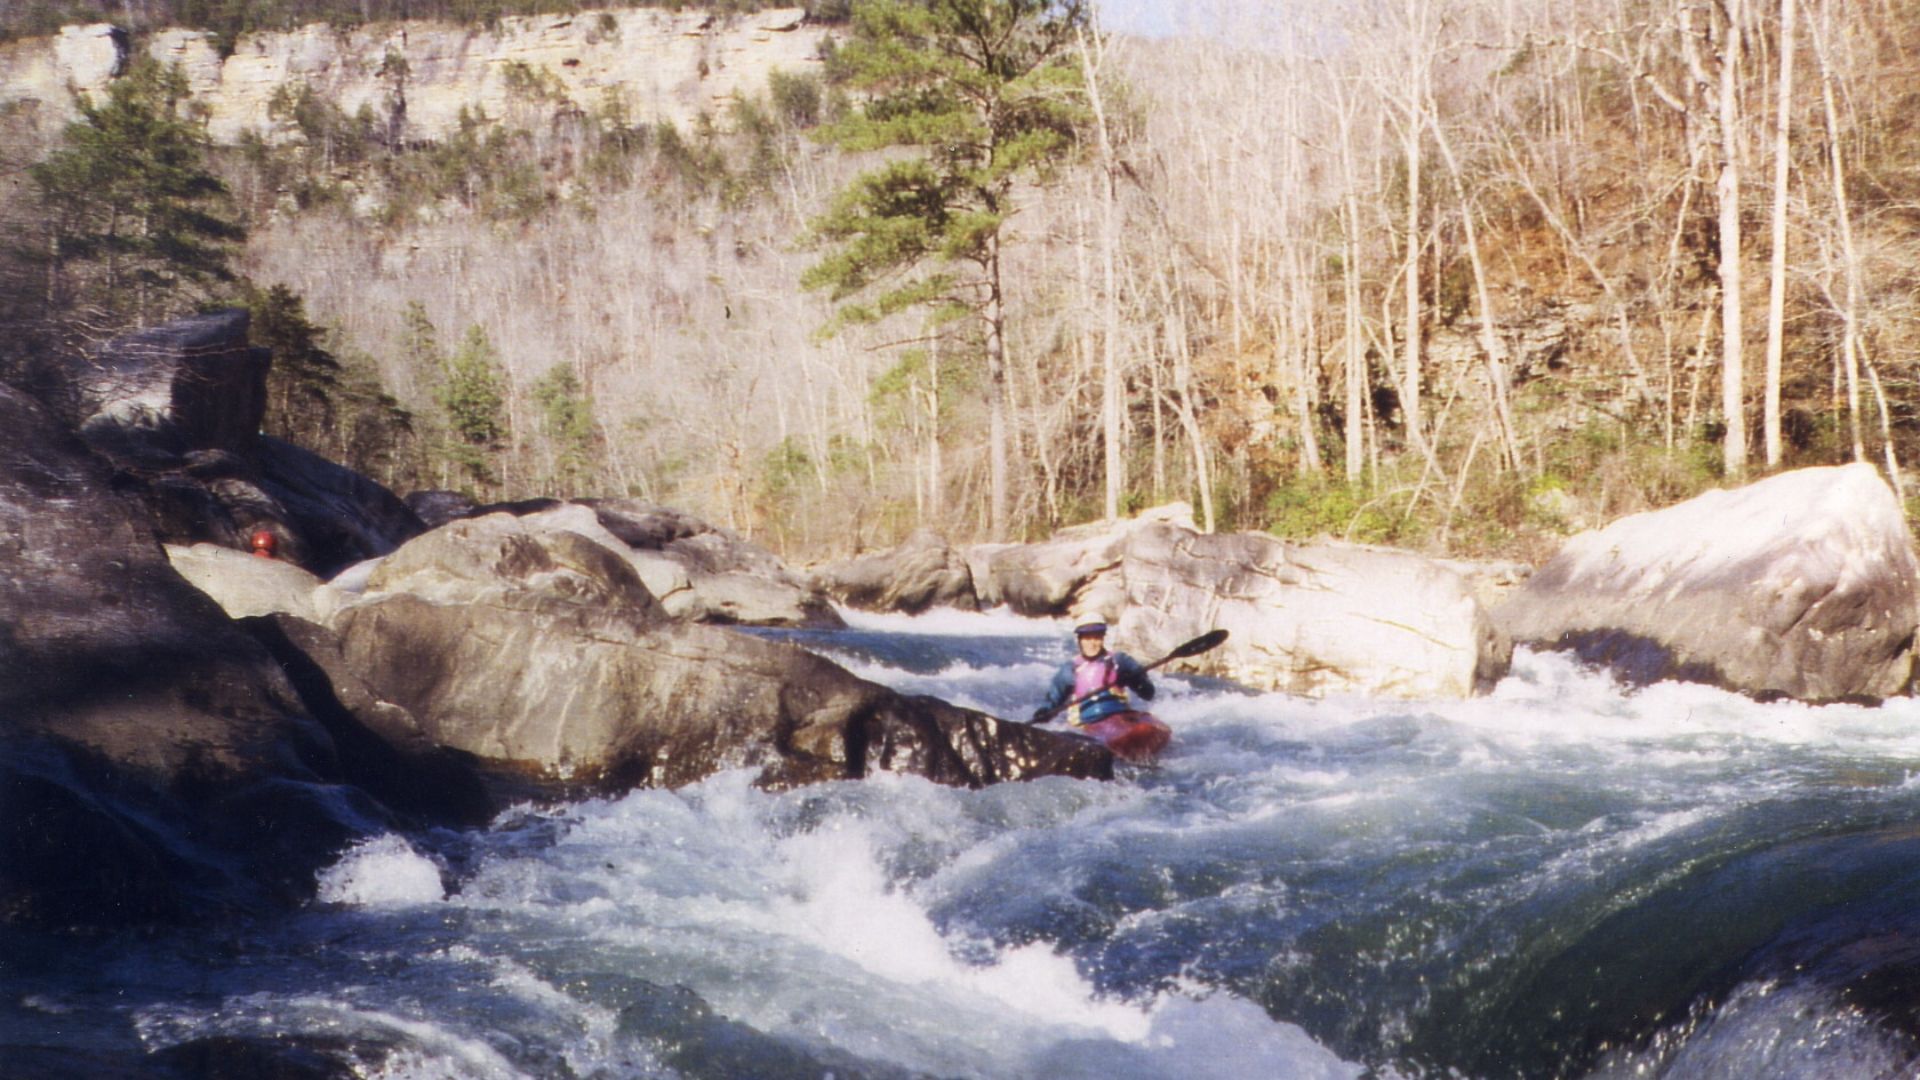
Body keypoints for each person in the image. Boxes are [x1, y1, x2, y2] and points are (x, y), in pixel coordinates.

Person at [1032, 611, 1155, 726]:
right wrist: (1044, 712)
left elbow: (1149, 693)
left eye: (1096, 638)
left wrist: (1135, 681)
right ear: (1079, 640)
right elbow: (1052, 701)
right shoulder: (1069, 670)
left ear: (1103, 638)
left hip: (1120, 719)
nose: (1092, 643)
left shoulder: (1120, 661)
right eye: (1087, 638)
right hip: (1087, 726)